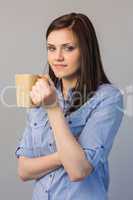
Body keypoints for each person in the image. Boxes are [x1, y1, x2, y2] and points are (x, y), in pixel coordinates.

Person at [15, 12, 123, 200]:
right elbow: (24, 170)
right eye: (51, 48)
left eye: (68, 48)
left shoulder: (108, 98)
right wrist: (63, 156)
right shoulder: (40, 91)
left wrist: (53, 108)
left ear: (86, 50)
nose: (57, 57)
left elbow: (78, 170)